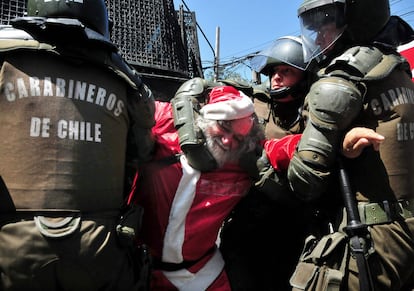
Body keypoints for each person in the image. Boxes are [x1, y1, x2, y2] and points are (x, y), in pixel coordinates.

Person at [0, 0, 155, 290]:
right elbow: (141, 156)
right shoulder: (127, 82)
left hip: (10, 246)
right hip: (99, 248)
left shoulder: (5, 59)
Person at [132, 83, 314, 290]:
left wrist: (333, 140)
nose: (227, 141)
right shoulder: (166, 120)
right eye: (223, 126)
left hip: (201, 275)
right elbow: (128, 103)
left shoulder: (242, 158)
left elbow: (287, 147)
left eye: (238, 138)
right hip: (135, 266)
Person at [287, 0, 414, 290]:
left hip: (376, 239)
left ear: (357, 19)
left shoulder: (340, 80)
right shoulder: (398, 69)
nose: (318, 36)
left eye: (325, 23)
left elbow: (304, 182)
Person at [219, 36, 317, 290]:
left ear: (303, 76)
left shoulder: (316, 110)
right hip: (248, 222)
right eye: (273, 71)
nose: (276, 77)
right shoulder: (255, 105)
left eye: (286, 71)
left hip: (294, 226)